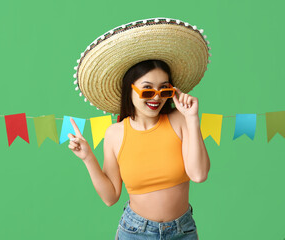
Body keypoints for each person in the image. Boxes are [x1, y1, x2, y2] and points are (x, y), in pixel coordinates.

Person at [68, 18, 211, 239]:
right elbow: (110, 197)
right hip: (135, 232)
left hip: (183, 230)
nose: (156, 97)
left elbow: (199, 174)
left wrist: (192, 118)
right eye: (147, 90)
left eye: (164, 90)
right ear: (130, 90)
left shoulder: (180, 120)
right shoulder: (115, 134)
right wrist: (88, 157)